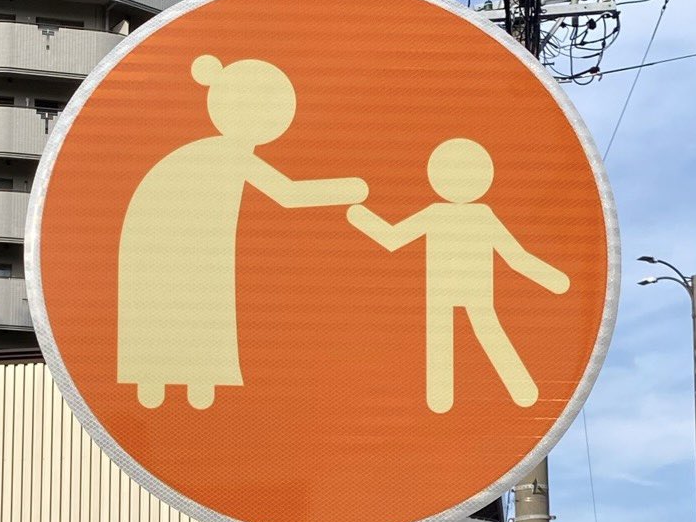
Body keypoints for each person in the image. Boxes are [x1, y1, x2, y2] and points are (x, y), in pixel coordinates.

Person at [117, 54, 368, 410]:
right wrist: (350, 189)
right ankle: (191, 379)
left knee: (177, 304)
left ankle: (158, 378)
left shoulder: (205, 150)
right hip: (181, 246)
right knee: (198, 301)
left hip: (160, 244)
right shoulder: (231, 152)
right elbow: (287, 194)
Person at [347, 137, 570, 413]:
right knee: (482, 333)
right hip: (466, 292)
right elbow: (516, 258)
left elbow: (391, 238)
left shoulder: (445, 214)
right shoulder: (477, 215)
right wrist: (553, 280)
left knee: (451, 338)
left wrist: (361, 216)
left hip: (447, 292)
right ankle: (520, 392)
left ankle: (448, 401)